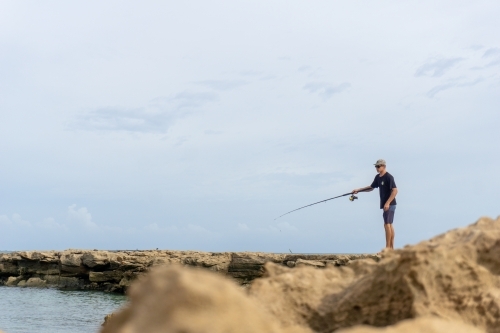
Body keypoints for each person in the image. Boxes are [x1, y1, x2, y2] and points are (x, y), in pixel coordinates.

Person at [352, 159, 398, 250]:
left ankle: (388, 249)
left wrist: (388, 203)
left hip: (390, 204)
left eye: (378, 166)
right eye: (376, 166)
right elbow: (371, 188)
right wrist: (359, 190)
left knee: (387, 224)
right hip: (386, 204)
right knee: (389, 224)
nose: (376, 168)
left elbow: (395, 190)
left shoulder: (389, 177)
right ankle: (391, 248)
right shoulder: (378, 177)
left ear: (384, 166)